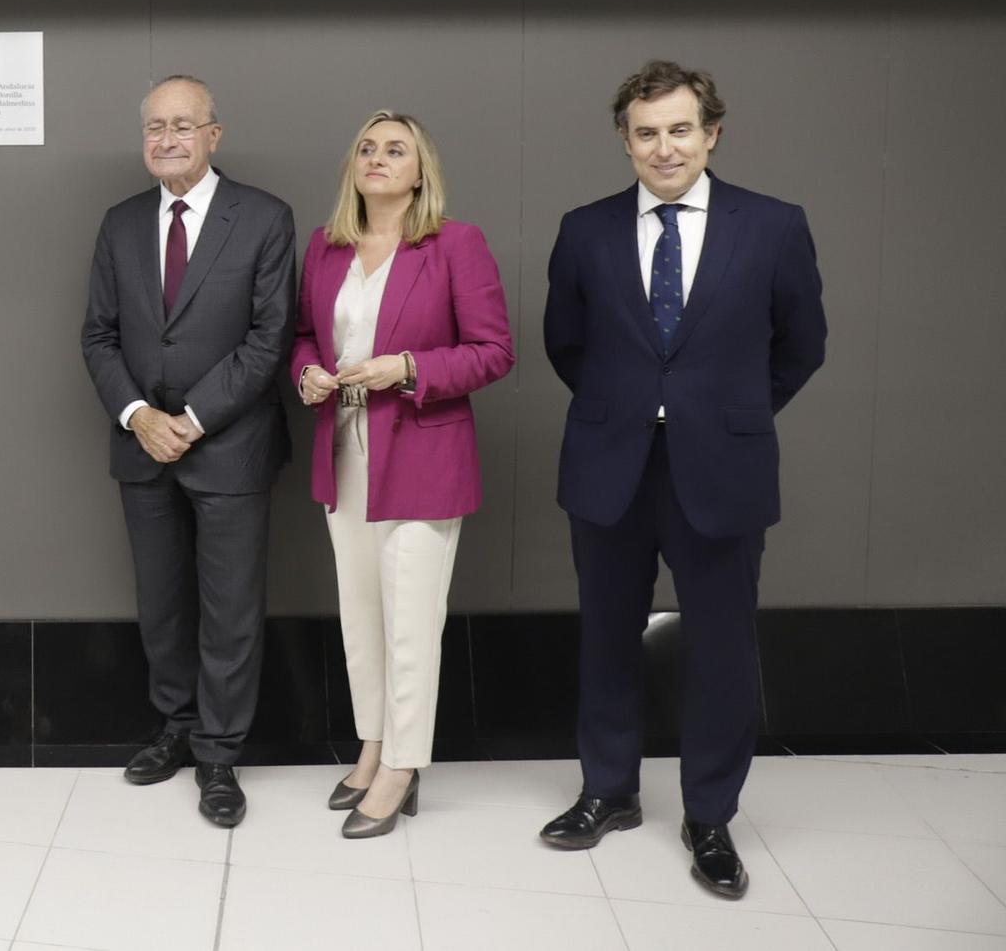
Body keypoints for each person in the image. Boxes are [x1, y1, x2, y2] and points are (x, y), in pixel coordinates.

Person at [538, 61, 826, 898]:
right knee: (605, 632)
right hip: (609, 462)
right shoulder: (584, 228)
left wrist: (721, 410)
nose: (663, 147)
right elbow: (568, 344)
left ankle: (710, 813)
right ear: (625, 139)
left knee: (722, 646)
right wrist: (632, 408)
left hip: (722, 465)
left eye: (679, 129)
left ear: (712, 131)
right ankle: (607, 791)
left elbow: (801, 344)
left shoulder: (773, 226)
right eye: (646, 132)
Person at [290, 111, 513, 838]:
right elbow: (301, 337)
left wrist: (409, 367)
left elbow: (493, 350)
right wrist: (308, 375)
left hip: (422, 451)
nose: (378, 158)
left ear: (421, 172)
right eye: (366, 147)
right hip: (344, 449)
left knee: (412, 622)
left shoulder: (456, 243)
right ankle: (374, 742)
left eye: (396, 150)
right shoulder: (326, 247)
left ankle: (403, 767)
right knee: (362, 616)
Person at [80, 75, 295, 828]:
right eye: (154, 127)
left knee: (230, 609)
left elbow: (270, 338)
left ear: (214, 133)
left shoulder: (265, 217)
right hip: (142, 446)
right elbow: (98, 335)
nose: (166, 138)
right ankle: (173, 725)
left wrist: (193, 417)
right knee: (162, 603)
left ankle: (219, 752)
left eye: (182, 125)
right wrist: (141, 415)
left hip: (229, 444)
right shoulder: (120, 222)